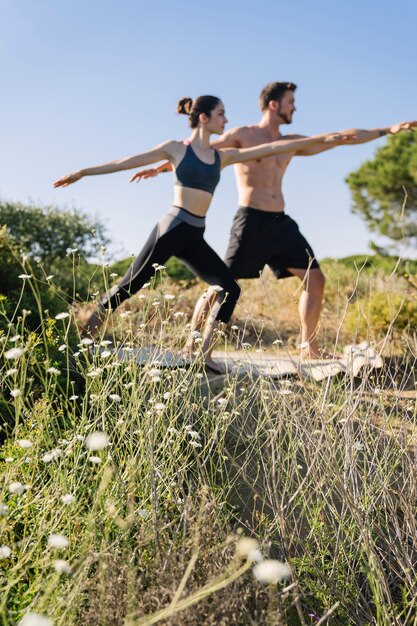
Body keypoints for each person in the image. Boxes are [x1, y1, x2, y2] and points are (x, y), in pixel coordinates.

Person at [53, 94, 350, 370]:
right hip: (172, 228)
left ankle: (203, 355)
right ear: (204, 118)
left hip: (195, 234)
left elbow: (273, 147)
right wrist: (82, 172)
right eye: (221, 114)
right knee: (131, 284)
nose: (226, 120)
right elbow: (124, 162)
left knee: (229, 288)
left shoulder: (222, 157)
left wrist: (329, 139)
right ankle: (85, 339)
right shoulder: (175, 148)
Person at [132, 83, 417, 360]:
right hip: (250, 222)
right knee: (220, 285)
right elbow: (201, 150)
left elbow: (338, 137)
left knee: (315, 279)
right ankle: (192, 346)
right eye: (291, 102)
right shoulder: (243, 134)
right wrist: (161, 166)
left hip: (281, 223)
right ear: (273, 104)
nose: (295, 107)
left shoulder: (291, 143)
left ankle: (308, 347)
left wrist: (387, 130)